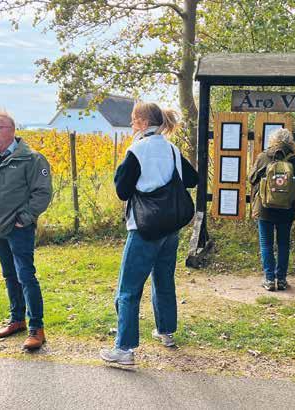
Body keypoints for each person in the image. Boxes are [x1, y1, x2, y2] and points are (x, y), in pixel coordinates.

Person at [99, 102, 198, 365]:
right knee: (163, 280)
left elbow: (122, 190)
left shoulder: (137, 150)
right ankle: (166, 331)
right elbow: (192, 179)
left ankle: (124, 348)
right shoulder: (172, 149)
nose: (131, 124)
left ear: (143, 122)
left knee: (128, 288)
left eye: (133, 120)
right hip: (171, 227)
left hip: (144, 227)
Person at [0, 110, 52, 350]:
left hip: (19, 228)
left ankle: (36, 328)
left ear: (12, 130)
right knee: (9, 275)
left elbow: (42, 192)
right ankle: (17, 320)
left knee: (25, 276)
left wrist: (25, 218)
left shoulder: (32, 159)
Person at [248, 128, 295, 291]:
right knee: (283, 244)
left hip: (265, 208)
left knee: (266, 244)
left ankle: (270, 279)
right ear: (290, 142)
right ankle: (282, 279)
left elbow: (251, 178)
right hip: (287, 208)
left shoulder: (263, 157)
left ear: (272, 140)